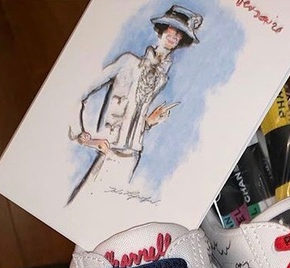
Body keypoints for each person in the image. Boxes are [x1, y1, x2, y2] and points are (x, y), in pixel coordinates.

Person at [68, 5, 203, 204]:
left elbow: (133, 115)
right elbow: (79, 94)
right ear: (161, 31)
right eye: (170, 31)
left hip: (131, 156)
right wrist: (84, 138)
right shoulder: (128, 62)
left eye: (178, 35)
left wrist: (149, 122)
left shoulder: (161, 78)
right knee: (84, 202)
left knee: (108, 208)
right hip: (109, 150)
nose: (173, 37)